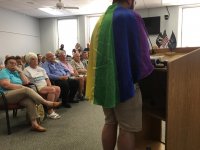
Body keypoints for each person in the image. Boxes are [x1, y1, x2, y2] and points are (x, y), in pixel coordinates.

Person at [86, 0, 154, 149]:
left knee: (109, 121)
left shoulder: (101, 20)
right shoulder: (131, 16)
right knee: (127, 128)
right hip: (124, 82)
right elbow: (141, 53)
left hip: (104, 82)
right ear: (130, 1)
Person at [0, 56, 61, 132]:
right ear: (6, 65)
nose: (13, 65)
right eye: (11, 63)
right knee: (26, 89)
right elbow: (6, 85)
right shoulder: (4, 71)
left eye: (15, 64)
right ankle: (47, 103)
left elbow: (26, 82)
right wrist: (21, 87)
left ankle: (34, 124)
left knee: (29, 100)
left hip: (16, 95)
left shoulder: (16, 72)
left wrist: (20, 72)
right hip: (4, 96)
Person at [23, 52, 61, 119]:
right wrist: (50, 88)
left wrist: (49, 86)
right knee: (52, 90)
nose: (36, 60)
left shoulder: (41, 69)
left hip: (45, 86)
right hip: (36, 87)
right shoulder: (26, 70)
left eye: (36, 59)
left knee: (57, 88)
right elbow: (26, 82)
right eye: (33, 59)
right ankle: (50, 111)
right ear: (29, 61)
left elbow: (47, 79)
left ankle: (49, 108)